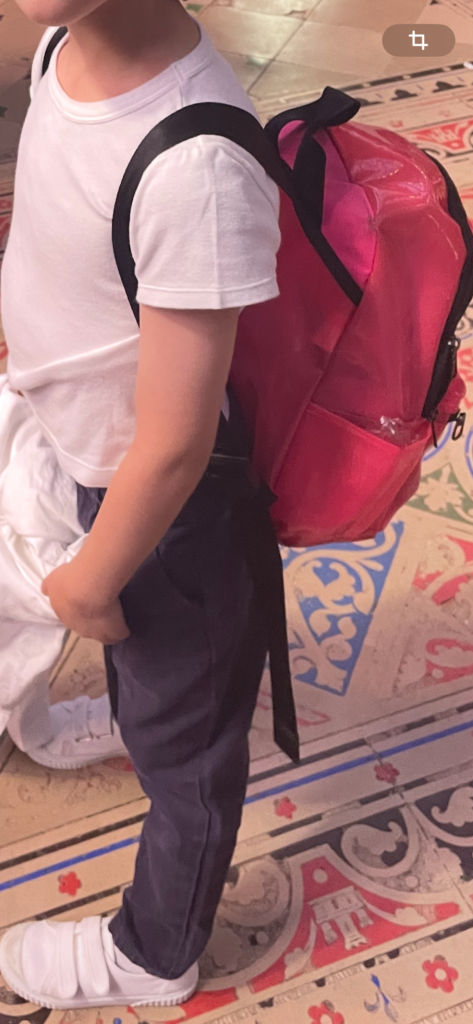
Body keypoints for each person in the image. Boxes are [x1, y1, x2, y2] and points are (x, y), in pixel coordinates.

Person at [0, 0, 283, 1009]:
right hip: (75, 443)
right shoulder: (59, 43)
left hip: (165, 522)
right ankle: (112, 709)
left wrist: (94, 579)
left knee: (187, 753)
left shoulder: (196, 165)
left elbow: (172, 446)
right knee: (144, 676)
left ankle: (155, 953)